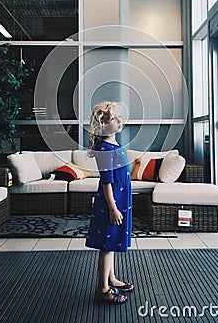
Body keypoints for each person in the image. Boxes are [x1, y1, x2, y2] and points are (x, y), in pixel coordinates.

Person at [85, 101, 133, 304]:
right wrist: (113, 208)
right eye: (114, 119)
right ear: (103, 125)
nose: (120, 121)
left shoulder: (114, 144)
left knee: (112, 241)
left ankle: (111, 278)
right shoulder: (104, 149)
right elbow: (107, 181)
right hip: (111, 201)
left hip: (120, 199)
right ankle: (103, 289)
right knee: (107, 244)